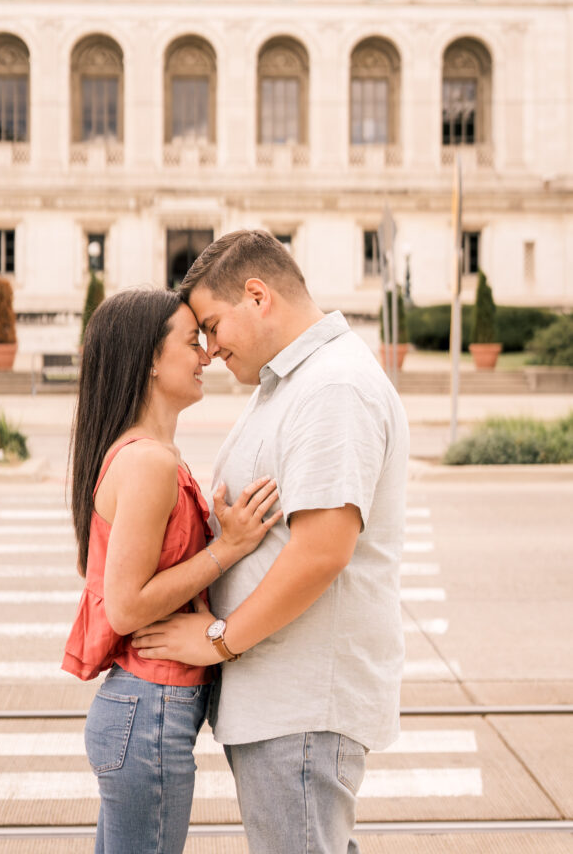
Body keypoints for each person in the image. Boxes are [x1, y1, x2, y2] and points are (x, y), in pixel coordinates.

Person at [132, 230, 410, 854]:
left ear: (257, 296)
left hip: (301, 706)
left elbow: (321, 551)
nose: (208, 347)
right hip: (282, 702)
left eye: (212, 323)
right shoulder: (289, 384)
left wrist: (216, 641)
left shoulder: (332, 387)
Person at [62, 287, 281, 854]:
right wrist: (226, 548)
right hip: (149, 711)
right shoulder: (149, 462)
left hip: (145, 712)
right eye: (192, 342)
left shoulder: (151, 453)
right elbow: (128, 604)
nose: (206, 354)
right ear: (151, 360)